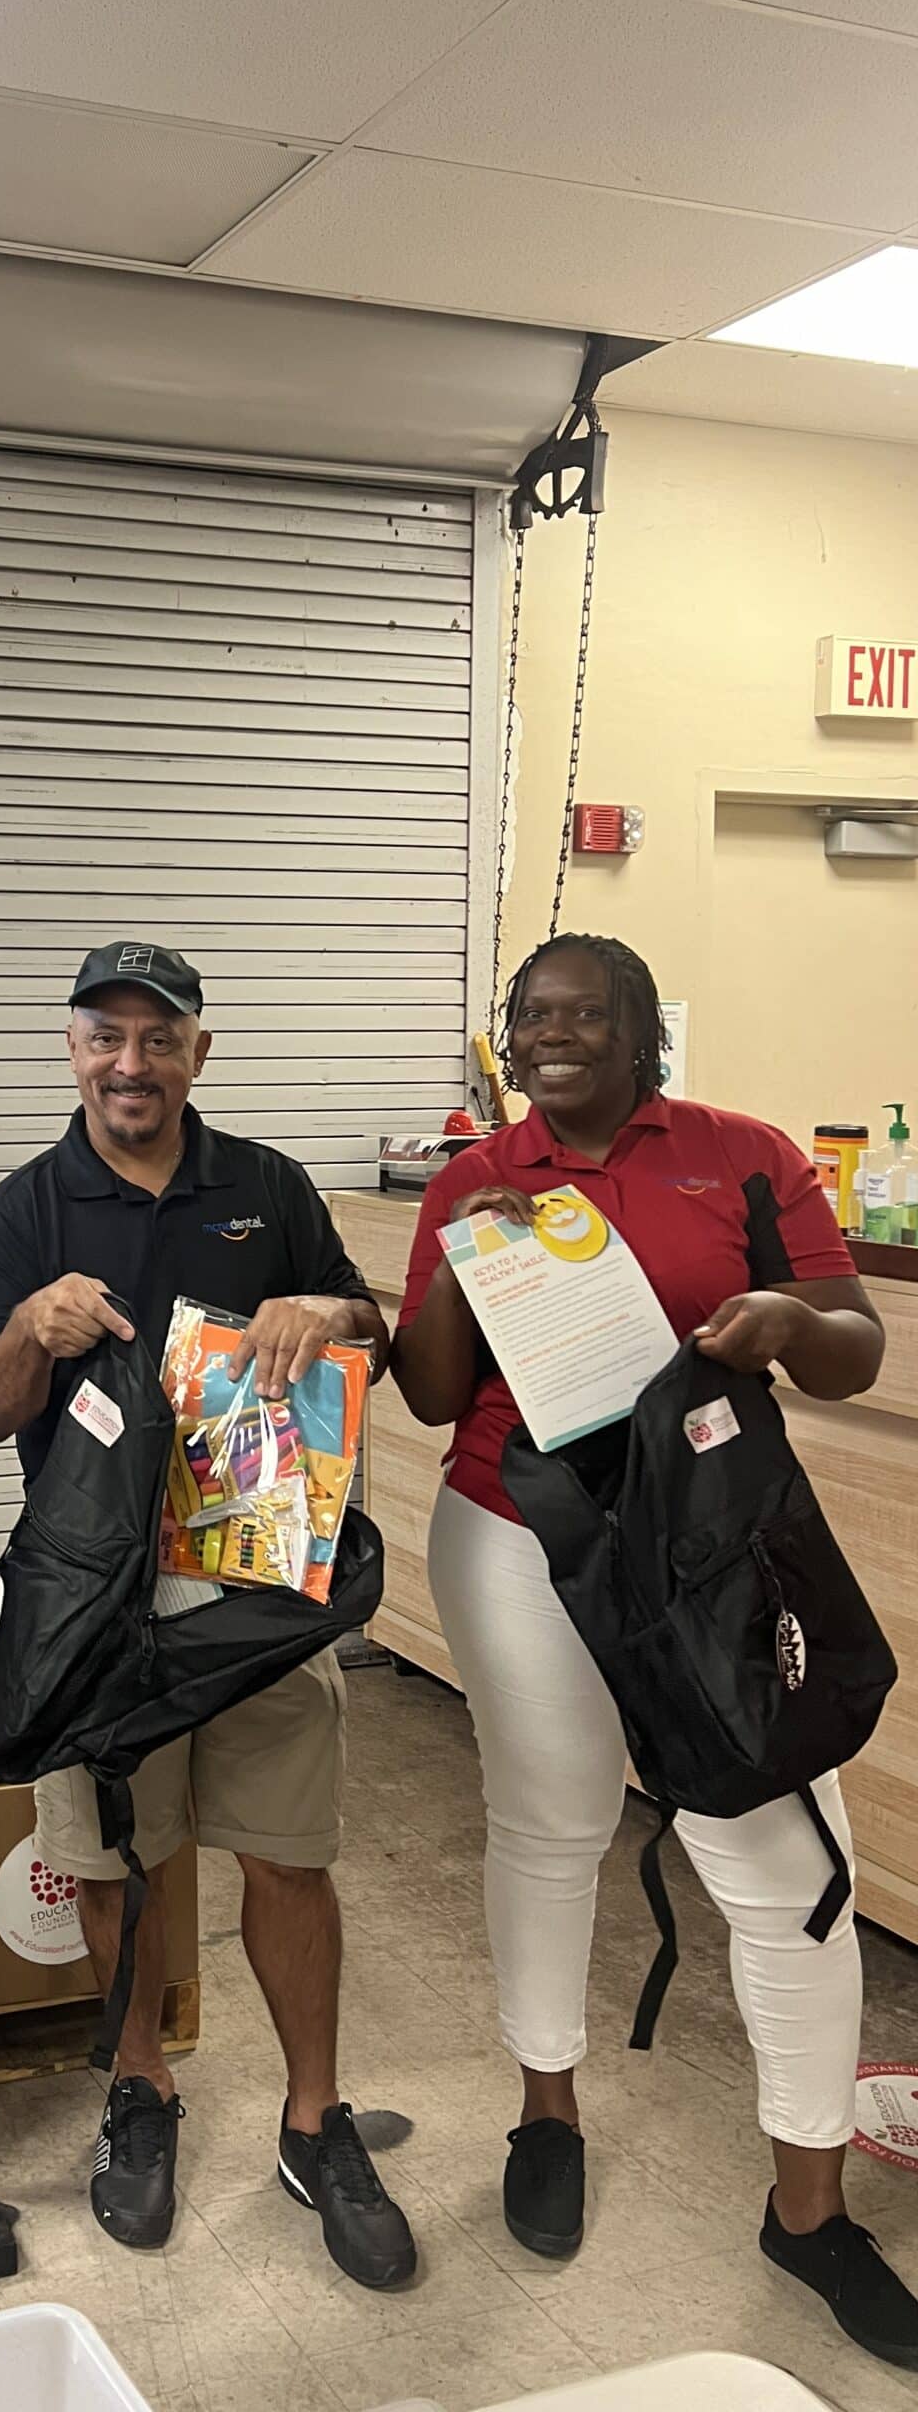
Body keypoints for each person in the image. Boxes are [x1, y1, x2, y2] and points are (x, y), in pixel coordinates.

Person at [392, 930, 918, 2371]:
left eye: (584, 1012)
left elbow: (856, 1345)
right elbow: (432, 1394)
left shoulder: (741, 1157)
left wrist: (787, 1319)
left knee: (789, 1868)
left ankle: (808, 2211)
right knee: (548, 1826)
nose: (552, 1034)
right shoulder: (475, 1176)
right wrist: (461, 1256)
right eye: (531, 1015)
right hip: (519, 1534)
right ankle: (545, 2113)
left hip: (708, 1546)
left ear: (639, 1032)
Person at [0, 939, 415, 2283]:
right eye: (106, 1036)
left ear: (198, 1054)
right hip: (93, 1606)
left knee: (290, 1856)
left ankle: (314, 2118)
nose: (131, 1063)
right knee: (118, 1860)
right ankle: (141, 2087)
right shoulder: (24, 1209)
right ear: (71, 1051)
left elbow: (373, 1336)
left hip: (262, 1591)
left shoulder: (266, 1185)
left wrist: (323, 1307)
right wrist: (28, 1331)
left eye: (159, 1038)